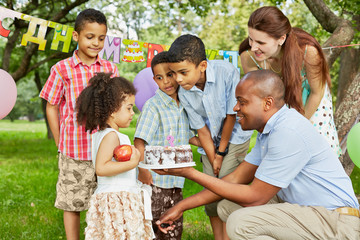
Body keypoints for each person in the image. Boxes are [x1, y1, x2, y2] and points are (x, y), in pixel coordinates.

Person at [154, 70, 359, 239]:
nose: (235, 108)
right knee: (227, 206)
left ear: (267, 103)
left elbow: (255, 198)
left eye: (242, 102)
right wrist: (182, 206)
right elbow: (235, 178)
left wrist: (189, 172)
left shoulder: (288, 131)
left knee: (240, 222)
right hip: (310, 212)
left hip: (337, 223)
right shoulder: (270, 130)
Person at [39, 9, 119, 239]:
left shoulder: (109, 69)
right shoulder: (62, 69)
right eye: (90, 37)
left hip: (104, 149)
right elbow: (52, 106)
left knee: (104, 200)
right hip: (74, 150)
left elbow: (114, 105)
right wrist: (59, 141)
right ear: (76, 36)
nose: (96, 43)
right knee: (72, 203)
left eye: (101, 38)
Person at [167, 34, 253, 240]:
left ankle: (235, 233)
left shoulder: (227, 72)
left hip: (235, 138)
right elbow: (201, 130)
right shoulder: (185, 91)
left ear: (202, 66)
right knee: (211, 193)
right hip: (210, 142)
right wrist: (212, 155)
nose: (177, 79)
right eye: (174, 73)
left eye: (183, 72)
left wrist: (221, 153)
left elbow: (232, 116)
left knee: (225, 187)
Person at [239, 6, 341, 157]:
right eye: (251, 39)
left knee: (313, 155)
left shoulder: (308, 51)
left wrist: (297, 128)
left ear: (281, 39)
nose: (254, 47)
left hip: (311, 103)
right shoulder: (249, 57)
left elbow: (316, 92)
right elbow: (260, 99)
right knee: (279, 155)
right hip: (279, 104)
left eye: (261, 42)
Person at [75, 72, 155, 239]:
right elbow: (101, 168)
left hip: (121, 195)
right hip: (116, 200)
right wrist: (132, 163)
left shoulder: (106, 134)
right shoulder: (111, 136)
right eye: (128, 107)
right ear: (112, 110)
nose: (132, 112)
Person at [134, 51, 200, 240]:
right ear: (154, 79)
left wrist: (209, 143)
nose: (166, 82)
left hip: (176, 181)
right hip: (155, 181)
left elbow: (187, 136)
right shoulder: (153, 107)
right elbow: (140, 141)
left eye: (170, 75)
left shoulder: (182, 104)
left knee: (173, 228)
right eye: (159, 77)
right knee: (152, 227)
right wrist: (142, 169)